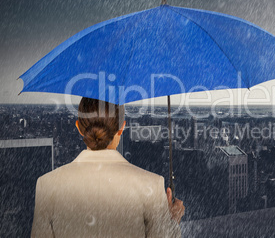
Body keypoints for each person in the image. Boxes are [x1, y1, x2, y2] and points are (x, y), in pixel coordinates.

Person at [31, 97, 185, 237]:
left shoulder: (47, 185)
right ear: (122, 127)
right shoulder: (151, 184)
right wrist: (172, 221)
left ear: (79, 127)